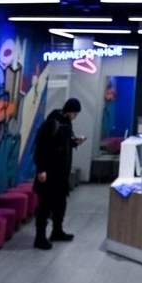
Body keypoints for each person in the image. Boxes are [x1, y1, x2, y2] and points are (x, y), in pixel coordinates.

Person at [31, 97, 86, 250]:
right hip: (49, 173)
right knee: (45, 205)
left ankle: (57, 231)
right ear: (70, 111)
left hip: (61, 174)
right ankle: (40, 237)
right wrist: (41, 169)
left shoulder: (66, 124)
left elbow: (65, 143)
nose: (75, 116)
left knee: (60, 204)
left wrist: (75, 142)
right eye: (75, 113)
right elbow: (41, 147)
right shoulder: (52, 123)